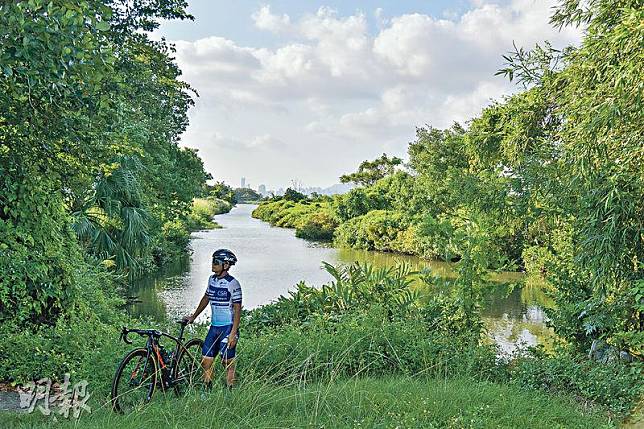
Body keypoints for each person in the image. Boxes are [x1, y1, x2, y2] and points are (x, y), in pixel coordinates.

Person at [183, 248, 242, 389]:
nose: (213, 265)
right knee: (205, 361)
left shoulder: (233, 283)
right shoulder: (212, 280)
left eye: (216, 262)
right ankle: (207, 391)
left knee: (226, 361)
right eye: (212, 261)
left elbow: (237, 309)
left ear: (226, 265)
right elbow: (206, 298)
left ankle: (230, 391)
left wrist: (233, 333)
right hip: (214, 327)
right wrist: (193, 316)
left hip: (227, 327)